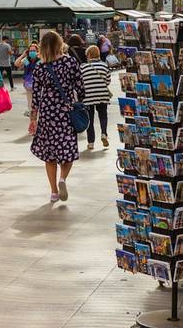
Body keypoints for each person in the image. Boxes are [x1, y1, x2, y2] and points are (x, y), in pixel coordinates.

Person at [29, 30, 85, 203]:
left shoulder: (40, 66)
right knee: (67, 150)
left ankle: (53, 191)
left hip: (47, 114)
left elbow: (36, 94)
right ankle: (63, 179)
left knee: (50, 155)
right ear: (60, 43)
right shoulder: (70, 62)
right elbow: (81, 87)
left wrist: (33, 118)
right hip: (65, 112)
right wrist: (77, 100)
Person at [81, 44, 112, 150]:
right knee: (103, 116)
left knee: (90, 119)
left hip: (88, 96)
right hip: (102, 95)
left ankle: (91, 142)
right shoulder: (104, 65)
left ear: (89, 55)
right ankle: (104, 133)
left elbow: (80, 82)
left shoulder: (83, 67)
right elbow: (108, 81)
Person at [16, 43, 40, 117]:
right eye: (31, 51)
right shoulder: (27, 60)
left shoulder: (40, 60)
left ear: (37, 51)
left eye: (34, 50)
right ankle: (31, 112)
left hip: (39, 83)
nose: (32, 52)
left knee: (39, 98)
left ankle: (38, 112)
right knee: (30, 99)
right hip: (28, 83)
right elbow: (17, 63)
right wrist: (23, 55)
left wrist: (41, 54)